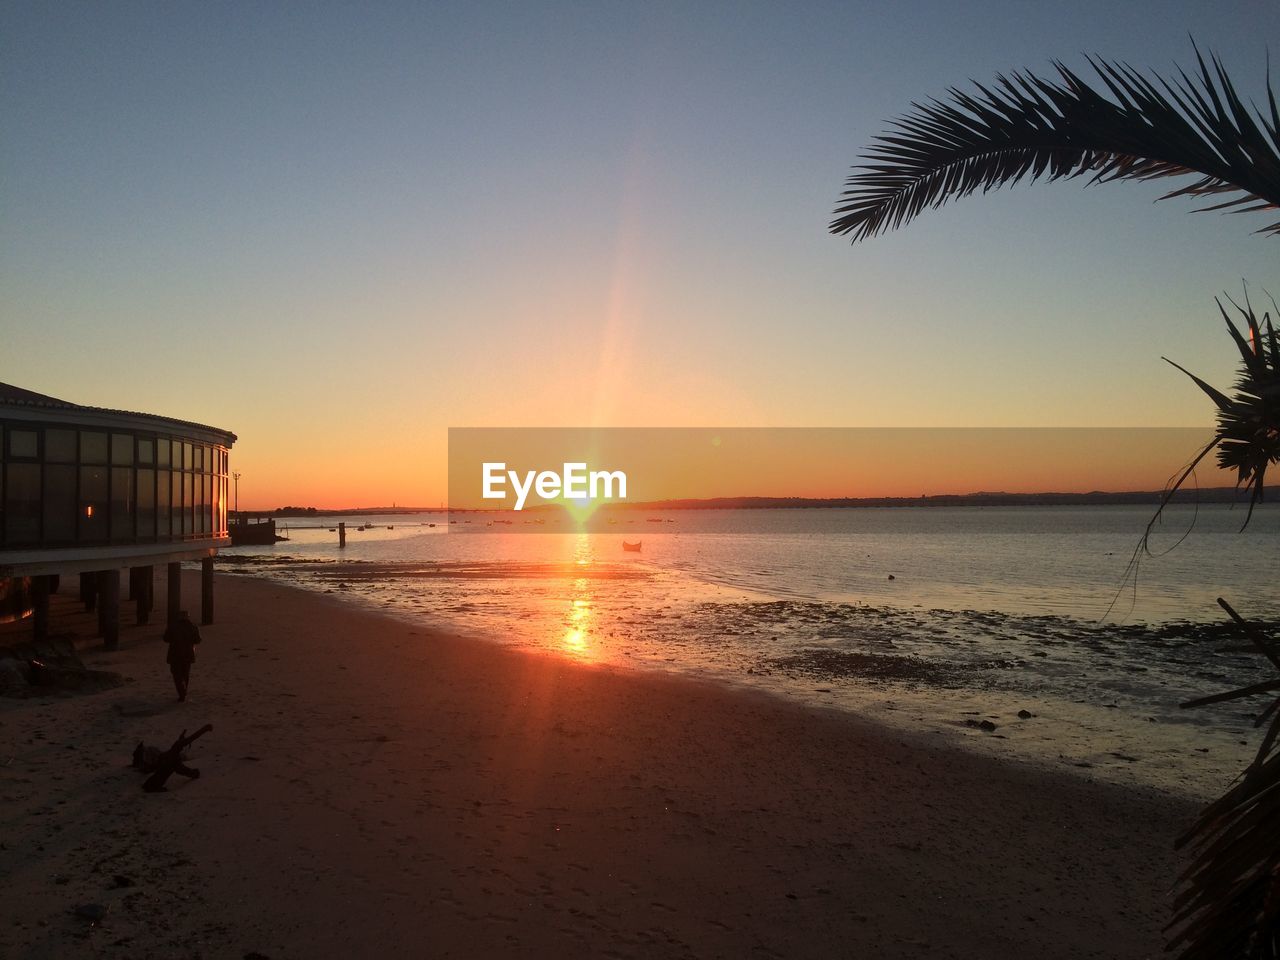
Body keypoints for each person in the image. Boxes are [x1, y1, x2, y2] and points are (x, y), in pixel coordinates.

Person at [163, 610, 201, 701]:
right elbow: (198, 640)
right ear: (188, 617)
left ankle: (181, 692)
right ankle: (183, 691)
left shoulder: (173, 626)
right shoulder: (192, 627)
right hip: (188, 654)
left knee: (176, 674)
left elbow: (166, 639)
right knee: (185, 674)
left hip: (175, 654)